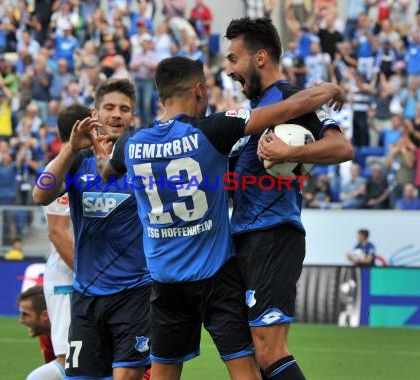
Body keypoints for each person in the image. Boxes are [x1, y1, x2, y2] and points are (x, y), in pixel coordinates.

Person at [101, 57, 345, 380]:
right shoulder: (214, 130)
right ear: (199, 89)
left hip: (165, 283)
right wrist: (330, 88)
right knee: (246, 373)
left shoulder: (129, 146)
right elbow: (289, 108)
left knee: (162, 376)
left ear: (159, 95)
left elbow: (106, 171)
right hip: (215, 276)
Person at [224, 17, 354, 380]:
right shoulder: (252, 113)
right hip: (243, 237)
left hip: (274, 232)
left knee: (268, 348)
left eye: (234, 59)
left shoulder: (294, 98)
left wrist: (285, 152)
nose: (229, 69)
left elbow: (342, 147)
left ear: (260, 57)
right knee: (248, 354)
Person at [33, 83, 152, 380]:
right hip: (87, 295)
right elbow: (40, 194)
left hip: (134, 293)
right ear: (95, 113)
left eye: (124, 109)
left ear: (133, 117)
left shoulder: (142, 160)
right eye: (109, 108)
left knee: (126, 377)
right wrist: (71, 147)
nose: (116, 115)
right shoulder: (78, 163)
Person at [42, 193, 74, 370]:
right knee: (69, 358)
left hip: (102, 278)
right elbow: (57, 233)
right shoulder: (63, 176)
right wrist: (87, 275)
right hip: (67, 279)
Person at [17, 285, 62, 380]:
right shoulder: (45, 336)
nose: (20, 320)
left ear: (45, 315)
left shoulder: (72, 330)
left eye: (25, 314)